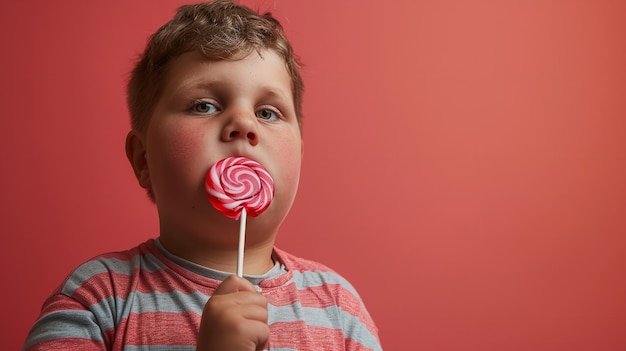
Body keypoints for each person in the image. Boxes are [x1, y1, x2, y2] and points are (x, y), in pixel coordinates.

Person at [22, 1, 382, 350]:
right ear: (143, 159)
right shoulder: (96, 300)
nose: (243, 124)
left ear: (300, 156)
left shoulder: (338, 309)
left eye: (268, 112)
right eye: (204, 106)